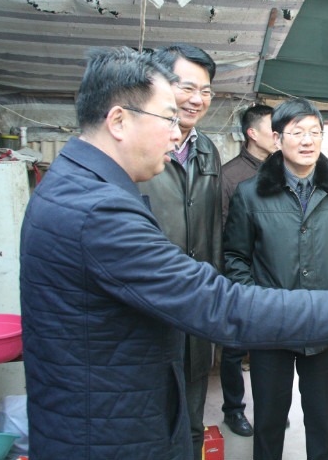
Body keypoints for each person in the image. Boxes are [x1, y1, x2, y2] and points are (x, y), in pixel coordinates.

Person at [19, 47, 328, 460]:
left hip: (107, 413)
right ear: (118, 121)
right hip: (107, 431)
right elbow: (219, 303)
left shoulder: (74, 184)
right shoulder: (100, 210)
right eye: (168, 118)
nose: (176, 134)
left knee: (320, 416)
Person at [223, 97, 328, 460]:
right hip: (270, 325)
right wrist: (258, 303)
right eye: (297, 132)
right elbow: (236, 258)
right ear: (277, 139)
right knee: (269, 420)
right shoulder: (250, 193)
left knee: (322, 418)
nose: (307, 140)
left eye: (315, 132)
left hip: (325, 323)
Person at [136, 43, 221, 460]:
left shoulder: (208, 150)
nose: (196, 99)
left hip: (197, 299)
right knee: (148, 414)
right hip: (147, 301)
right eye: (187, 87)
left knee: (192, 412)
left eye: (205, 91)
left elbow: (213, 228)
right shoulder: (137, 148)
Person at [217, 103, 275, 438]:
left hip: (275, 274)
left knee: (271, 348)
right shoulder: (230, 175)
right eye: (272, 129)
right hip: (240, 275)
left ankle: (270, 409)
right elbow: (223, 231)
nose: (279, 135)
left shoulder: (283, 168)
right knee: (235, 347)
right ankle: (233, 410)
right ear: (252, 134)